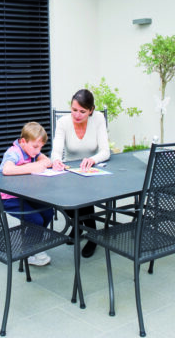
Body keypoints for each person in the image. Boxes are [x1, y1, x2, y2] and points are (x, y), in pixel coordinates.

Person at [51, 88, 110, 258]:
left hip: (91, 170)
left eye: (82, 111)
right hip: (70, 170)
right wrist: (56, 161)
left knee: (85, 194)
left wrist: (93, 159)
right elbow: (56, 150)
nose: (77, 115)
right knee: (61, 198)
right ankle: (78, 225)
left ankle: (91, 235)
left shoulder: (98, 118)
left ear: (91, 110)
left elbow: (105, 151)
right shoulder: (63, 122)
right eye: (74, 110)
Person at [0, 121, 63, 266]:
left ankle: (33, 243)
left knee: (47, 212)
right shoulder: (13, 152)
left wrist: (49, 162)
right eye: (35, 146)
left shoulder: (31, 150)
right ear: (23, 141)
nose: (37, 150)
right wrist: (32, 166)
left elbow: (45, 160)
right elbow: (7, 170)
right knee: (36, 220)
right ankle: (28, 250)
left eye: (41, 147)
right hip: (8, 198)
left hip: (25, 195)